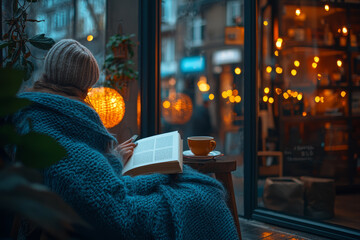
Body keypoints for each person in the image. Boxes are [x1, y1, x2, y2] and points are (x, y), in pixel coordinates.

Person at [13, 39, 238, 239]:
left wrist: (114, 157)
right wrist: (158, 173)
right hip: (104, 216)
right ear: (83, 84)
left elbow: (84, 169)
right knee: (201, 196)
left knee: (192, 185)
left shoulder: (34, 110)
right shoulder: (66, 116)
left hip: (64, 210)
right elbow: (102, 197)